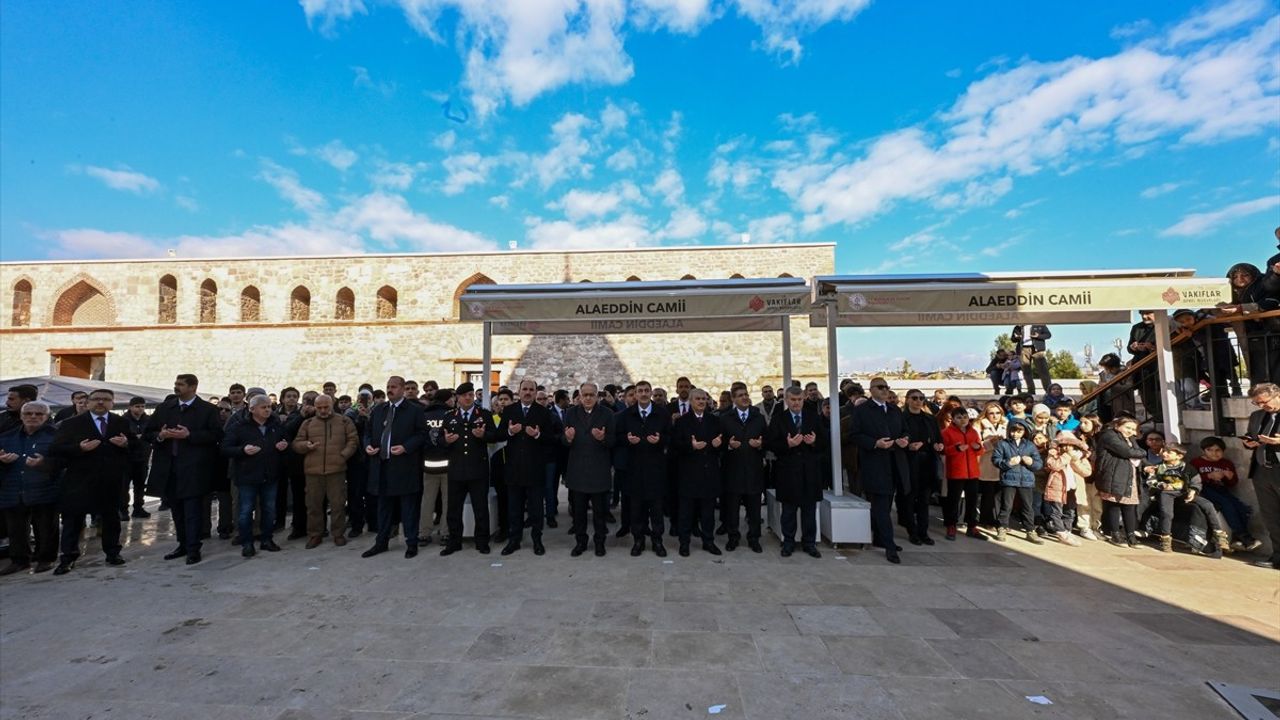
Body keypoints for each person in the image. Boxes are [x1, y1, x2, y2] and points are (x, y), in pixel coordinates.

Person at [47, 388, 134, 575]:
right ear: (87, 402)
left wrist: (126, 444)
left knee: (111, 519)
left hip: (110, 480)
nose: (101, 402)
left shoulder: (121, 422)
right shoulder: (71, 423)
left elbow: (136, 447)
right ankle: (68, 558)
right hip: (80, 480)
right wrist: (79, 448)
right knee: (73, 521)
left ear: (112, 403)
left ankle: (112, 553)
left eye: (106, 399)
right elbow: (56, 449)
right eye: (96, 399)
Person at [145, 374, 223, 565]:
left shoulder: (208, 410)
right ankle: (182, 544)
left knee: (192, 511)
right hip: (169, 468)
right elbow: (148, 433)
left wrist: (190, 435)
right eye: (176, 384)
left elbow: (217, 435)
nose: (176, 387)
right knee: (177, 511)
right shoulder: (165, 408)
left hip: (194, 469)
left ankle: (194, 548)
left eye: (180, 384)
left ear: (193, 387)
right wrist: (161, 435)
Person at [361, 376, 428, 559]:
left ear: (403, 388)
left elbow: (422, 434)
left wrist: (406, 447)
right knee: (383, 508)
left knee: (408, 509)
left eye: (394, 387)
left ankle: (411, 543)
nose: (390, 390)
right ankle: (381, 542)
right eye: (388, 387)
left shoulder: (414, 411)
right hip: (382, 467)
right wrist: (368, 445)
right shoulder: (379, 410)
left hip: (404, 467)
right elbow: (368, 432)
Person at [849, 377, 910, 564]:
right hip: (875, 463)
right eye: (881, 387)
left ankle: (880, 538)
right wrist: (875, 443)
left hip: (895, 462)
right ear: (872, 390)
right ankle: (889, 545)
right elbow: (855, 435)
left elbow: (904, 431)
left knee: (886, 503)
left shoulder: (894, 410)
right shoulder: (862, 411)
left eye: (887, 387)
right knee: (881, 506)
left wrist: (904, 440)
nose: (885, 391)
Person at [221, 394, 286, 557]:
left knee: (269, 510)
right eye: (263, 407)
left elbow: (286, 440)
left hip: (270, 475)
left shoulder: (275, 425)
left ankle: (266, 540)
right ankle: (247, 543)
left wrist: (284, 445)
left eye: (269, 407)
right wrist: (242, 450)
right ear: (252, 409)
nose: (267, 410)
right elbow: (225, 448)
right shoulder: (239, 426)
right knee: (245, 511)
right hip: (247, 476)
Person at [498, 378, 557, 556]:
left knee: (536, 508)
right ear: (519, 391)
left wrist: (538, 435)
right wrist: (510, 432)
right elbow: (498, 434)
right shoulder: (509, 410)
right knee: (514, 508)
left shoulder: (544, 412)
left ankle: (537, 540)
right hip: (514, 468)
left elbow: (552, 439)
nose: (528, 392)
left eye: (532, 389)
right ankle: (514, 540)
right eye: (525, 389)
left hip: (535, 468)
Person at [0, 401, 59, 574]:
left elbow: (65, 461)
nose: (33, 417)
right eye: (28, 413)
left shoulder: (56, 436)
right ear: (21, 416)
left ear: (47, 417)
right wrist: (2, 462)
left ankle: (45, 559)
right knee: (16, 529)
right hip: (13, 490)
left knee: (46, 527)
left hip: (45, 490)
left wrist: (44, 463)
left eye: (39, 414)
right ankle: (19, 560)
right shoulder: (5, 437)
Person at [439, 382, 497, 556]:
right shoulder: (449, 416)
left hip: (477, 469)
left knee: (480, 508)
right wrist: (446, 441)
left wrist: (484, 436)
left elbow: (494, 436)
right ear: (457, 397)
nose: (468, 398)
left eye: (470, 395)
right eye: (464, 395)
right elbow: (441, 442)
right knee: (453, 509)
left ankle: (482, 541)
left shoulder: (484, 415)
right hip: (456, 469)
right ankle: (454, 541)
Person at [293, 394, 358, 549]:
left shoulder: (344, 421)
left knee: (338, 505)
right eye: (319, 407)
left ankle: (338, 534)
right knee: (313, 505)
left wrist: (343, 456)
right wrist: (305, 446)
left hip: (337, 470)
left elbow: (353, 440)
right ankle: (315, 535)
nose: (323, 410)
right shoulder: (308, 423)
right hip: (313, 472)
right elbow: (296, 443)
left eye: (326, 407)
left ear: (332, 404)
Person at [1143, 442, 1229, 557]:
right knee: (1167, 513)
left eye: (1169, 452)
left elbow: (1196, 481)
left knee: (1208, 505)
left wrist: (1193, 491)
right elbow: (1151, 481)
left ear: (1179, 456)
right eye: (1164, 451)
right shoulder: (1159, 467)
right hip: (1166, 493)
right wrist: (1161, 485)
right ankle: (1165, 539)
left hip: (1184, 492)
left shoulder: (1187, 468)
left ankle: (1219, 535)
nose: (1165, 454)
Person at [560, 382, 616, 557]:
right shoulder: (570, 413)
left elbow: (614, 441)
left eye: (592, 394)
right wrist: (567, 439)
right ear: (580, 396)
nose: (588, 398)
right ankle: (580, 542)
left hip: (599, 471)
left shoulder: (607, 414)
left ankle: (600, 543)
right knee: (579, 513)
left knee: (600, 512)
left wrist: (603, 438)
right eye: (585, 395)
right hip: (577, 471)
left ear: (597, 396)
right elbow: (563, 440)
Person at [619, 380, 670, 557]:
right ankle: (638, 540)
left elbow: (670, 436)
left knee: (656, 509)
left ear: (650, 393)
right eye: (639, 391)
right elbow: (618, 437)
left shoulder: (662, 414)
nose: (643, 394)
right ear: (635, 393)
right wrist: (627, 440)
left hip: (655, 468)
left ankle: (657, 540)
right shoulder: (626, 415)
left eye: (646, 390)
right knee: (636, 510)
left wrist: (660, 440)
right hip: (634, 469)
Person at [672, 389, 724, 557]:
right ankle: (684, 543)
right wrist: (691, 446)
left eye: (704, 399)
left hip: (709, 473)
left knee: (708, 512)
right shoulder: (682, 422)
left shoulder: (715, 420)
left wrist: (718, 445)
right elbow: (675, 446)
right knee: (686, 513)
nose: (701, 402)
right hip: (689, 473)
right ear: (691, 401)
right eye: (698, 399)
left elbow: (721, 444)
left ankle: (708, 541)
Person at [1191, 436, 1260, 551]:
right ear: (1204, 451)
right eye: (1210, 450)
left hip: (1221, 490)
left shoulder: (1226, 463)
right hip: (1204, 490)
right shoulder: (1196, 462)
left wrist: (1229, 477)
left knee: (1242, 508)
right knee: (1226, 505)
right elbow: (1190, 478)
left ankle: (1237, 538)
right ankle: (1244, 536)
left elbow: (1232, 483)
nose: (1214, 453)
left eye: (1218, 450)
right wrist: (1208, 476)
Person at [722, 385, 768, 553]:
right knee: (732, 508)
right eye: (740, 395)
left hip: (753, 468)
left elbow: (767, 439)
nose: (744, 397)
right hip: (733, 469)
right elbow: (719, 443)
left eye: (746, 394)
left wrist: (761, 444)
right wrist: (728, 445)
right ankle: (733, 537)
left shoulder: (758, 418)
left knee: (754, 508)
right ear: (733, 399)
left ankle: (754, 538)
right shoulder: (726, 418)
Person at [1241, 383, 1280, 569]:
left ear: (1276, 395)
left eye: (1264, 402)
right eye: (1257, 403)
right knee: (1271, 517)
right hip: (1262, 471)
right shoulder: (1257, 416)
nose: (1262, 406)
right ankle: (1278, 557)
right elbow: (1251, 435)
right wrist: (1249, 442)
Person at [1094, 416, 1148, 548]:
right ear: (1117, 426)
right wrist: (1141, 452)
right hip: (1114, 475)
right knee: (1114, 505)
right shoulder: (1109, 435)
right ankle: (1115, 534)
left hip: (1129, 476)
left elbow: (1137, 452)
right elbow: (1126, 452)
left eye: (1133, 429)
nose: (1130, 431)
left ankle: (1130, 535)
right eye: (1127, 427)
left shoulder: (1130, 439)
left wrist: (1141, 456)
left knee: (1129, 506)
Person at [900, 390, 942, 545]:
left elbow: (937, 438)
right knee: (910, 497)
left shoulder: (930, 418)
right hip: (909, 461)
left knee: (924, 499)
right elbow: (898, 438)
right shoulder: (902, 417)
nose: (918, 401)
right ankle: (912, 531)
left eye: (921, 398)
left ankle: (923, 532)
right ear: (908, 400)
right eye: (915, 398)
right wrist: (908, 446)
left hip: (927, 461)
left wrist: (938, 445)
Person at [992, 420, 1044, 544]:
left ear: (1024, 431)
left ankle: (1030, 530)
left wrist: (1030, 462)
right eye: (1013, 430)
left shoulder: (1030, 445)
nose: (1015, 434)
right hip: (1009, 479)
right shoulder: (1003, 444)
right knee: (1006, 505)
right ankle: (1002, 527)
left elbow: (1038, 464)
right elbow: (995, 460)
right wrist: (1008, 463)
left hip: (1026, 480)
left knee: (1027, 506)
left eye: (1019, 431)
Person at [941, 407, 986, 542]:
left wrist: (978, 448)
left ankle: (972, 526)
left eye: (965, 417)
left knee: (972, 501)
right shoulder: (946, 432)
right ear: (953, 419)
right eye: (959, 417)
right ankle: (951, 525)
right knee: (953, 501)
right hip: (956, 472)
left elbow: (979, 450)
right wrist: (955, 448)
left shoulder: (973, 432)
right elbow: (943, 451)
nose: (963, 420)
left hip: (972, 472)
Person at [420, 388, 454, 546]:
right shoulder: (450, 415)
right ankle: (445, 533)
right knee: (448, 501)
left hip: (428, 464)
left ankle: (424, 533)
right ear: (447, 400)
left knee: (427, 501)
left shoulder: (424, 415)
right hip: (448, 465)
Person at [1043, 435, 1089, 546]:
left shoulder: (1080, 457)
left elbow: (1087, 472)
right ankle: (1061, 532)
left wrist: (1075, 461)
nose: (1068, 447)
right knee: (1056, 511)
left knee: (1070, 511)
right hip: (1058, 487)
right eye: (1065, 445)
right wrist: (1066, 457)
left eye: (1071, 445)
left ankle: (1067, 530)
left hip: (1073, 488)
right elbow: (1054, 465)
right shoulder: (1054, 454)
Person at [122, 396, 152, 519]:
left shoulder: (148, 420)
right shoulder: (123, 420)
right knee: (124, 486)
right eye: (137, 406)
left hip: (142, 457)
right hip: (126, 458)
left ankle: (138, 508)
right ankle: (123, 510)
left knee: (140, 485)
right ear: (130, 407)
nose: (140, 409)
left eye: (142, 406)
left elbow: (150, 435)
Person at [1011, 324, 1052, 395]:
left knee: (1043, 371)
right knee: (1026, 371)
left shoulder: (1039, 324)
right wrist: (1017, 337)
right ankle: (1031, 391)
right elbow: (1012, 339)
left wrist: (1038, 336)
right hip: (1023, 349)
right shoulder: (1018, 327)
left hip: (1037, 349)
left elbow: (1048, 335)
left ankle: (1049, 390)